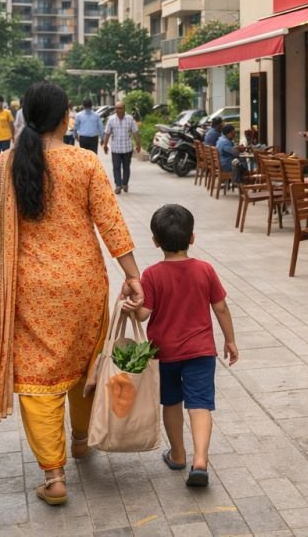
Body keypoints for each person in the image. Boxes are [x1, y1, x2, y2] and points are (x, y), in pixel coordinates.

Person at [0, 81, 143, 507]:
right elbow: (111, 223)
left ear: (25, 116)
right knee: (86, 363)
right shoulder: (84, 162)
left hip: (30, 291)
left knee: (39, 377)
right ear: (66, 117)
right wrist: (134, 275)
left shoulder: (4, 165)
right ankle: (81, 439)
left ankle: (54, 475)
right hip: (83, 286)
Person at [126, 204, 237, 488]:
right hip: (201, 352)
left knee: (171, 402)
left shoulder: (151, 275)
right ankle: (200, 460)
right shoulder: (205, 269)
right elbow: (221, 307)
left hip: (165, 354)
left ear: (155, 241)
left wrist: (130, 306)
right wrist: (230, 340)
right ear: (192, 238)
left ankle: (177, 455)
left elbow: (142, 314)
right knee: (200, 404)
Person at [102, 101, 141, 194]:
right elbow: (107, 133)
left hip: (127, 148)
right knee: (116, 167)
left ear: (124, 109)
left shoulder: (130, 119)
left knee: (126, 167)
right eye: (116, 108)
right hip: (116, 148)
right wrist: (105, 145)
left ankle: (125, 184)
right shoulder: (111, 119)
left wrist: (138, 144)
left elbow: (135, 132)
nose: (118, 110)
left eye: (120, 108)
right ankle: (118, 185)